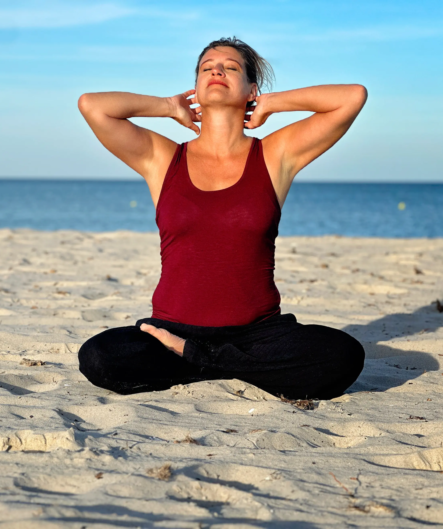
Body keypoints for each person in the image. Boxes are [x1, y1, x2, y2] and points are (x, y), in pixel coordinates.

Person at [76, 37, 367, 400]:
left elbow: (352, 96)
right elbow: (92, 106)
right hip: (170, 332)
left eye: (231, 67)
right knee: (98, 356)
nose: (217, 70)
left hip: (258, 334)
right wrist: (167, 106)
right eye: (206, 67)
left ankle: (197, 360)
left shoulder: (275, 154)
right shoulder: (163, 158)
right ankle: (215, 361)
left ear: (250, 89)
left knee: (343, 355)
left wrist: (271, 103)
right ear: (196, 86)